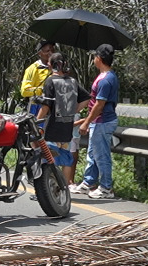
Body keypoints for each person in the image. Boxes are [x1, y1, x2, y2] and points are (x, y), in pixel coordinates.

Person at [71, 44, 120, 199]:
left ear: (99, 58)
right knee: (92, 154)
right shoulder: (104, 76)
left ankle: (106, 188)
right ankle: (88, 183)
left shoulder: (106, 80)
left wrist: (85, 122)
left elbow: (99, 105)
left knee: (101, 156)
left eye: (94, 56)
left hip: (102, 121)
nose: (93, 59)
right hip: (99, 121)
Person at [35, 53, 90, 180]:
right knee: (66, 158)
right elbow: (86, 98)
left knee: (48, 157)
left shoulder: (50, 81)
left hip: (53, 126)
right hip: (67, 127)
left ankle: (48, 189)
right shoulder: (72, 81)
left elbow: (46, 106)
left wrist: (37, 121)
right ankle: (64, 188)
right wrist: (73, 110)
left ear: (51, 65)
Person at [21, 39, 55, 115]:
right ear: (40, 53)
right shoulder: (33, 69)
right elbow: (24, 91)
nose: (51, 53)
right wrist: (43, 91)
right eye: (47, 51)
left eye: (52, 50)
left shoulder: (57, 69)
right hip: (37, 106)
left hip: (54, 107)